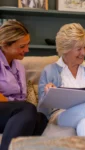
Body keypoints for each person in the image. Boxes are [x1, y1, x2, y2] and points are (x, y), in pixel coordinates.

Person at [38, 23, 85, 136]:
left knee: (84, 123)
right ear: (65, 50)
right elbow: (42, 112)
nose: (83, 53)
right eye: (79, 49)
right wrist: (48, 95)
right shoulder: (49, 71)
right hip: (60, 117)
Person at [0, 20, 48, 150]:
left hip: (15, 113)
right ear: (5, 45)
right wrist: (21, 108)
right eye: (22, 46)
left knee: (41, 119)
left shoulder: (20, 67)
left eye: (27, 45)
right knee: (27, 109)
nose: (26, 50)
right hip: (4, 109)